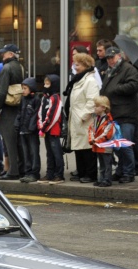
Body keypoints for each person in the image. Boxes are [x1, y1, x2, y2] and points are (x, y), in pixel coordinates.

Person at [99, 46, 138, 183]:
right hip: (114, 113)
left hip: (126, 113)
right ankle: (121, 170)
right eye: (108, 58)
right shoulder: (110, 71)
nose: (110, 60)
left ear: (119, 56)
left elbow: (134, 85)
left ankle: (129, 172)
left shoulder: (128, 69)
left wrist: (116, 89)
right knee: (116, 146)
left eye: (112, 57)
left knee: (124, 145)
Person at [0, 43, 24, 180]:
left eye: (4, 53)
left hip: (7, 108)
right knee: (17, 140)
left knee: (8, 140)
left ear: (11, 54)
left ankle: (13, 171)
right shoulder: (21, 67)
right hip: (18, 106)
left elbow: (1, 92)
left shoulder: (7, 68)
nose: (2, 55)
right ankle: (21, 167)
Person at [68, 52, 100, 183]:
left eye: (78, 64)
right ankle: (81, 172)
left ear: (86, 66)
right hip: (76, 119)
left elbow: (92, 101)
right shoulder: (79, 80)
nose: (75, 67)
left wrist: (82, 116)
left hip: (84, 120)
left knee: (87, 148)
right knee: (78, 148)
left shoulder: (90, 81)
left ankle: (90, 174)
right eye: (75, 64)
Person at [38, 74, 63, 183]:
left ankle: (59, 174)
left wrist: (43, 128)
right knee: (49, 153)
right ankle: (49, 173)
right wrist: (40, 125)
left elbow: (53, 115)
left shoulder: (55, 98)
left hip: (53, 130)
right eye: (45, 83)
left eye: (48, 83)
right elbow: (40, 112)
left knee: (56, 152)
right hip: (46, 130)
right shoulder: (45, 97)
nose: (45, 85)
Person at [16, 77, 41, 182]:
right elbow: (20, 113)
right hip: (23, 129)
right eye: (22, 88)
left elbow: (36, 115)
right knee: (26, 152)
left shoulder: (36, 99)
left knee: (33, 152)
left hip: (31, 131)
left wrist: (32, 127)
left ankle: (34, 173)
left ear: (31, 89)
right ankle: (27, 172)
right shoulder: (23, 99)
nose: (23, 90)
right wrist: (17, 123)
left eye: (25, 88)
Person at [88, 95, 116, 187]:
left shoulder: (108, 120)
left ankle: (107, 179)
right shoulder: (96, 118)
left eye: (96, 106)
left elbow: (108, 134)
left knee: (107, 164)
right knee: (101, 163)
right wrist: (91, 139)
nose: (94, 108)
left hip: (105, 145)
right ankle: (101, 179)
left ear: (103, 107)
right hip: (98, 145)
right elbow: (91, 129)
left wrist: (95, 140)